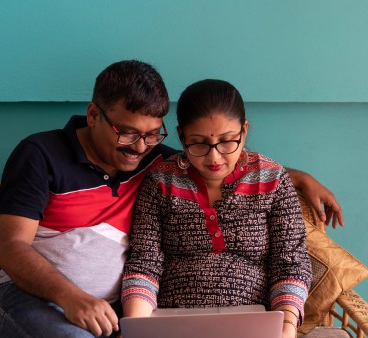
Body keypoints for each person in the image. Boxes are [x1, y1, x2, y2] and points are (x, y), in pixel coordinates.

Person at [0, 61, 341, 338]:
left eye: (153, 135)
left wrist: (298, 177)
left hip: (109, 311)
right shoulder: (40, 154)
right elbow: (12, 249)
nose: (139, 147)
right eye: (128, 133)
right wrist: (73, 298)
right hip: (26, 299)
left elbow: (218, 159)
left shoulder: (153, 160)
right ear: (94, 115)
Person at [121, 79, 312, 338]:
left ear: (244, 131)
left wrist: (286, 329)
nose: (214, 157)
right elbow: (145, 262)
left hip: (255, 327)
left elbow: (290, 263)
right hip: (174, 326)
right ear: (181, 136)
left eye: (227, 141)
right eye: (198, 143)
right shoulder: (160, 182)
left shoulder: (273, 180)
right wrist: (139, 328)